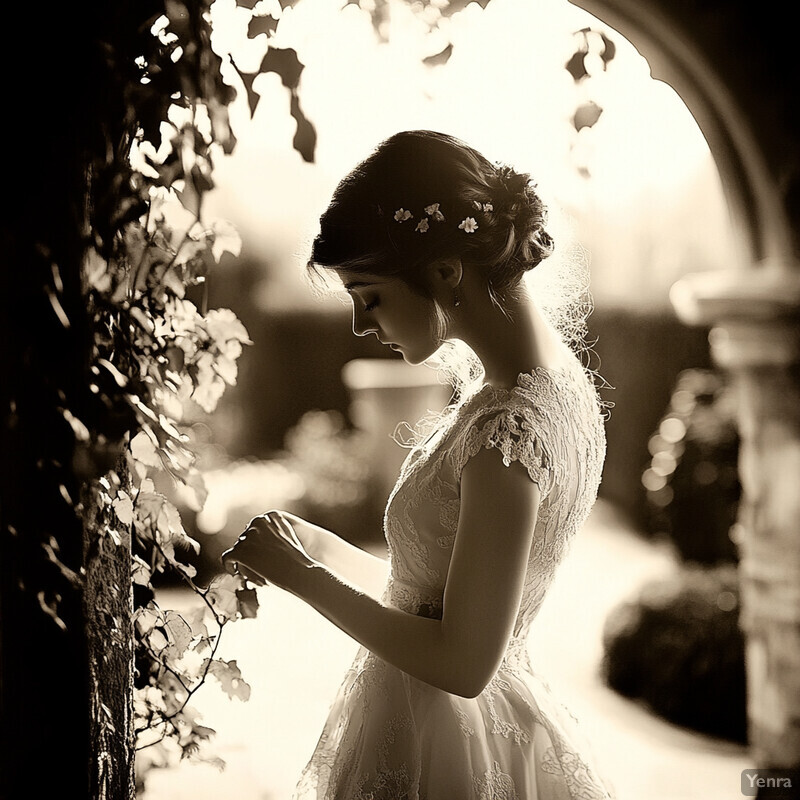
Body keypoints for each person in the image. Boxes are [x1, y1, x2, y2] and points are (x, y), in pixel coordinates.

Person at [221, 130, 615, 799]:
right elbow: (439, 598)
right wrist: (322, 549)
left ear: (443, 271)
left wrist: (306, 579)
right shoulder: (548, 389)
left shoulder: (506, 437)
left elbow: (462, 662)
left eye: (368, 295)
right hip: (456, 727)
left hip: (447, 744)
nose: (357, 324)